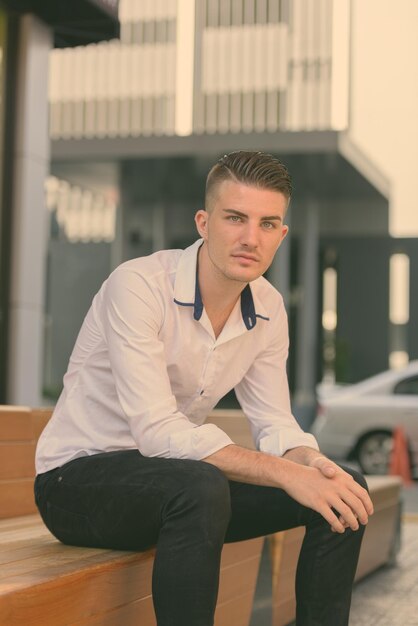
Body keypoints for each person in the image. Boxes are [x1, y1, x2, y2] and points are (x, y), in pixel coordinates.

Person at [35, 150, 373, 626]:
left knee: (345, 489)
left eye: (267, 223)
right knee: (200, 485)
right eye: (235, 218)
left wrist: (310, 464)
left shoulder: (269, 308)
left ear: (282, 234)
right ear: (204, 222)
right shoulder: (137, 286)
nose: (250, 238)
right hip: (76, 484)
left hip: (178, 491)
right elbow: (156, 432)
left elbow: (275, 422)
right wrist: (282, 474)